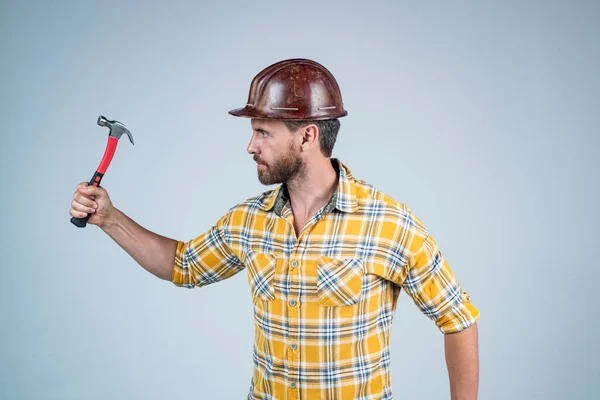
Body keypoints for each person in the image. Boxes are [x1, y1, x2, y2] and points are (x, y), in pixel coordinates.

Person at [70, 58, 480, 399]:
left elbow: (457, 319)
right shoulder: (250, 220)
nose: (251, 146)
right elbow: (183, 265)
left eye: (263, 132)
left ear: (307, 136)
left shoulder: (389, 224)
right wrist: (109, 217)